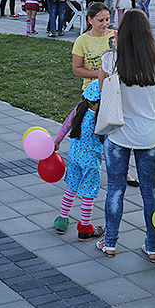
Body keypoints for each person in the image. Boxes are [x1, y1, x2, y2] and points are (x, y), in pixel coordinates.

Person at [95, 9, 155, 263]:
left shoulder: (111, 59)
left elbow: (104, 91)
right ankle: (153, 246)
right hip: (149, 134)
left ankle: (110, 243)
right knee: (151, 192)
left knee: (115, 189)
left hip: (118, 133)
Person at [52, 79, 104, 241]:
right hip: (90, 163)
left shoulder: (79, 109)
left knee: (71, 189)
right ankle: (85, 228)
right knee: (88, 195)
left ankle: (62, 221)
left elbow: (66, 126)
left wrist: (58, 141)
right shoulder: (101, 117)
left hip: (74, 158)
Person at [72, 3, 116, 90]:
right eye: (101, 20)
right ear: (90, 20)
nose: (105, 23)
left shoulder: (116, 36)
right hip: (92, 91)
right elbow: (77, 69)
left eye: (107, 19)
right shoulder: (82, 41)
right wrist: (100, 74)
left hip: (114, 89)